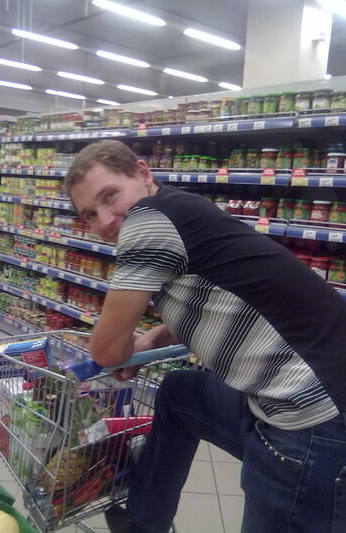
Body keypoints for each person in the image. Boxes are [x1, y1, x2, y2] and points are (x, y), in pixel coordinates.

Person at [65, 139, 346, 533]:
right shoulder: (180, 207)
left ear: (143, 173)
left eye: (110, 196)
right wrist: (152, 338)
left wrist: (119, 346)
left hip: (312, 418)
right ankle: (144, 524)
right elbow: (218, 295)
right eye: (90, 215)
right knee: (180, 394)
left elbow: (107, 351)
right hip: (310, 392)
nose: (106, 221)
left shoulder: (147, 219)